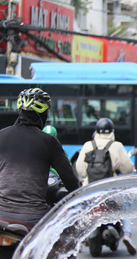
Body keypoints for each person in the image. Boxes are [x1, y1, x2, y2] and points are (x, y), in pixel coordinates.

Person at [0, 88, 79, 225]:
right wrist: (79, 199)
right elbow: (70, 180)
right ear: (43, 115)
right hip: (33, 216)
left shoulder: (1, 135)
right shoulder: (49, 141)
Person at [75, 117, 137, 255]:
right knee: (125, 209)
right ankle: (127, 235)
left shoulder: (87, 145)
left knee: (82, 213)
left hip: (90, 190)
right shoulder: (117, 146)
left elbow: (80, 170)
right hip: (111, 190)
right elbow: (127, 169)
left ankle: (78, 241)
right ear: (112, 132)